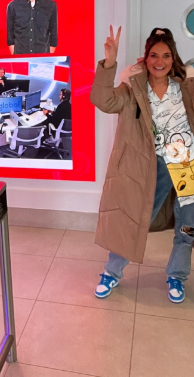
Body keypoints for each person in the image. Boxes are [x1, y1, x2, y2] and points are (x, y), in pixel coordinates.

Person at [91, 26, 194, 304]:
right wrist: (110, 62)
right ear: (145, 58)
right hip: (153, 166)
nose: (160, 61)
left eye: (166, 55)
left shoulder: (186, 87)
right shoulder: (133, 89)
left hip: (187, 165)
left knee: (188, 226)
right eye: (154, 55)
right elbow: (102, 100)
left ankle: (177, 275)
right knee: (134, 220)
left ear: (173, 59)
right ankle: (112, 272)